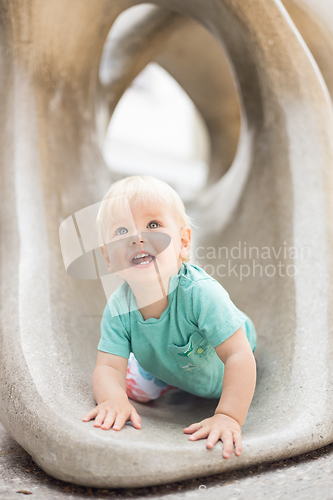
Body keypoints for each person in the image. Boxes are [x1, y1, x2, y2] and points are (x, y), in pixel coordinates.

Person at [82, 175, 257, 459]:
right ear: (108, 258)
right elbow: (108, 368)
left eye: (153, 225)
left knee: (233, 345)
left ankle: (167, 372)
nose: (137, 238)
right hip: (173, 364)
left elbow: (238, 355)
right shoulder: (118, 307)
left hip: (225, 364)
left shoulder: (201, 294)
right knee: (131, 388)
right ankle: (164, 377)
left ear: (184, 243)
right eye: (122, 231)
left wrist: (228, 416)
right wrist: (114, 401)